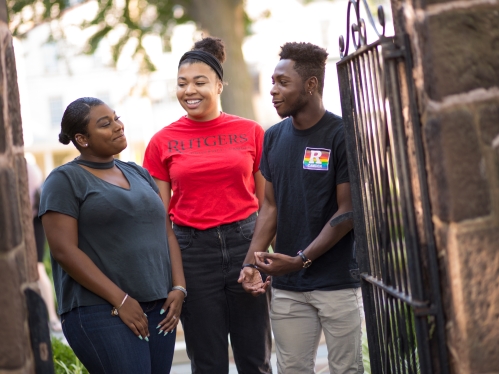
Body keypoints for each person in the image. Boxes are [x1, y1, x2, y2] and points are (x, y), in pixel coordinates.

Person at [143, 37, 272, 374]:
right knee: (208, 362)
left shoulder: (251, 132)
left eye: (200, 82)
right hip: (192, 251)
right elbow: (160, 218)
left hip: (246, 243)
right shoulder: (162, 142)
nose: (190, 90)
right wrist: (177, 278)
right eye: (182, 83)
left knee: (255, 358)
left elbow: (266, 204)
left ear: (218, 84)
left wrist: (260, 257)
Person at [238, 42, 364, 373]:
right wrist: (254, 262)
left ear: (310, 85)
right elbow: (269, 207)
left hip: (336, 282)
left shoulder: (341, 134)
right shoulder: (274, 137)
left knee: (346, 370)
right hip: (288, 289)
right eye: (272, 82)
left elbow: (347, 212)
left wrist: (299, 260)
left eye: (283, 82)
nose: (273, 91)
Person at [39, 97, 184, 374]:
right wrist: (122, 300)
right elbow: (64, 251)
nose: (118, 126)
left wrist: (178, 287)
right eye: (106, 124)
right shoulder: (64, 180)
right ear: (82, 139)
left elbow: (165, 232)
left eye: (116, 118)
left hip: (158, 308)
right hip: (102, 310)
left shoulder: (138, 173)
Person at [26, 161, 62, 333]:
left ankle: (52, 317)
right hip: (31, 222)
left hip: (32, 223)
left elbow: (28, 198)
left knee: (38, 269)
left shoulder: (27, 167)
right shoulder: (30, 166)